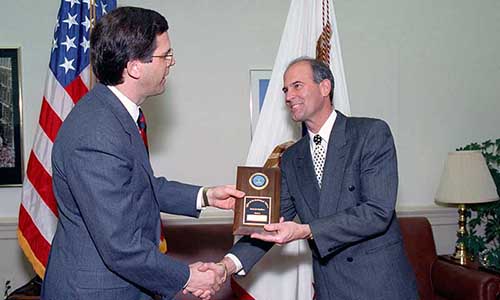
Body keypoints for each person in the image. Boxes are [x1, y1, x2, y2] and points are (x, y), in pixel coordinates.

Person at [41, 7, 243, 300]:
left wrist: (205, 196)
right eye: (165, 56)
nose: (171, 63)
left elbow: (138, 186)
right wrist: (187, 277)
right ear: (135, 67)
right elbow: (120, 245)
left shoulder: (117, 115)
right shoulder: (97, 132)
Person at [203, 57, 418, 299]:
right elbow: (268, 225)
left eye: (297, 85)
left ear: (325, 87)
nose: (288, 96)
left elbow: (377, 212)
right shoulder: (292, 157)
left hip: (379, 286)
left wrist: (306, 230)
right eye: (285, 89)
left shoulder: (370, 134)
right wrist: (225, 267)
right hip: (331, 289)